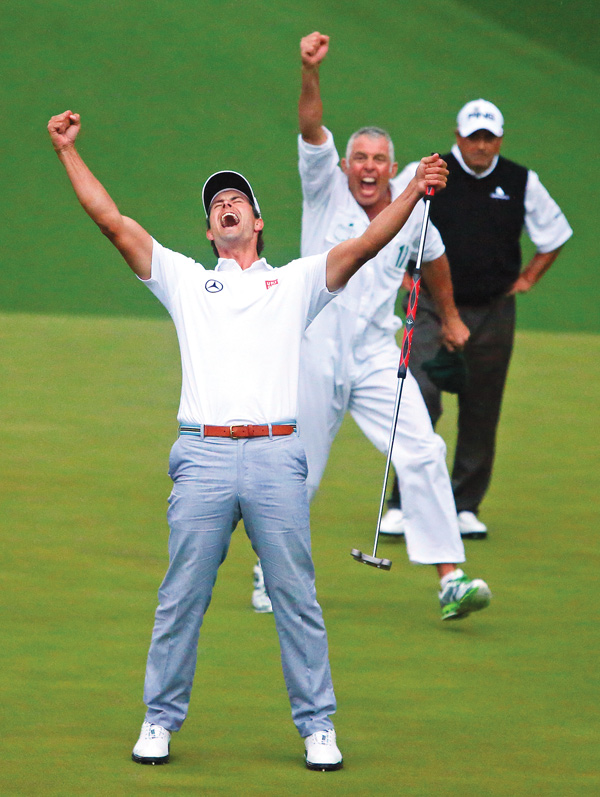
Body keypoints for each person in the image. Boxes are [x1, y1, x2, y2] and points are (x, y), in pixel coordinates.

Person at [47, 108, 448, 770]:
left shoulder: (293, 282)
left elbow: (368, 244)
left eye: (238, 200)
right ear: (210, 230)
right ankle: (159, 719)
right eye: (217, 204)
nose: (227, 206)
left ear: (257, 222)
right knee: (182, 595)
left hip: (275, 455)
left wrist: (413, 191)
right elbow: (112, 222)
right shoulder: (184, 280)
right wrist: (67, 151)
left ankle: (318, 726)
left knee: (296, 596)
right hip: (202, 455)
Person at [251, 32, 491, 622]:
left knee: (423, 449)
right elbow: (311, 125)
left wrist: (453, 316)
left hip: (376, 351)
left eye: (379, 159)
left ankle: (450, 579)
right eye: (359, 157)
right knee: (298, 469)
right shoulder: (322, 185)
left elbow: (432, 257)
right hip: (311, 349)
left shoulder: (411, 207)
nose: (368, 167)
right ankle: (270, 572)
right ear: (345, 165)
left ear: (390, 167)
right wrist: (310, 71)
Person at [381, 98, 573, 539]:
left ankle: (465, 504)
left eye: (489, 138)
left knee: (481, 406)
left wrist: (527, 279)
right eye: (473, 137)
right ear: (458, 136)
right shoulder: (432, 172)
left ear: (500, 140)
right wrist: (406, 273)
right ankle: (403, 501)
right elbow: (396, 223)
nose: (481, 146)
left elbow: (555, 234)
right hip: (429, 305)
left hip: (492, 310)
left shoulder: (521, 181)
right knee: (420, 397)